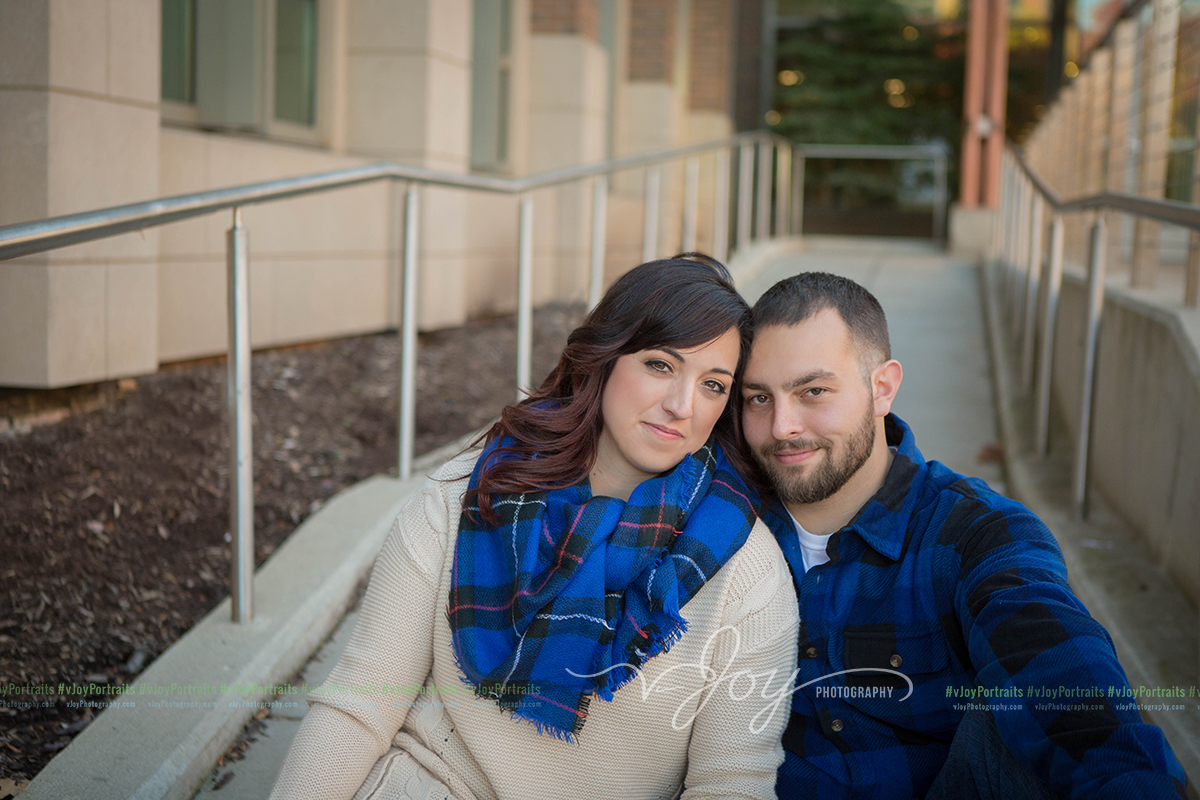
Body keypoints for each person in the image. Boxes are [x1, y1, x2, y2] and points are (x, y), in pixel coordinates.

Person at [269, 255, 799, 800]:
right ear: (606, 358)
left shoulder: (745, 573)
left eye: (713, 384)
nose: (680, 405)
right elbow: (360, 704)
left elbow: (731, 786)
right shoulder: (471, 493)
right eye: (660, 365)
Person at [739, 271, 1186, 800]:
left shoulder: (975, 532)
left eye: (813, 391)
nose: (782, 426)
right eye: (759, 399)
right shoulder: (723, 525)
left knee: (1013, 721)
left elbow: (1065, 688)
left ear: (882, 388)